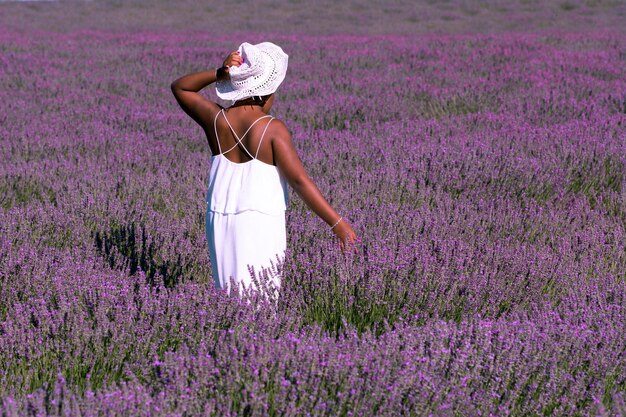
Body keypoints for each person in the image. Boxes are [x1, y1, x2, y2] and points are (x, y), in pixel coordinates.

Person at [171, 41, 358, 298]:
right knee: (262, 297)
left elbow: (180, 87)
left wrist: (220, 73)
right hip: (259, 220)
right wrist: (338, 224)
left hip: (220, 218)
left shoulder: (216, 121)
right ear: (266, 91)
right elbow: (300, 181)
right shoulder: (272, 128)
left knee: (228, 294)